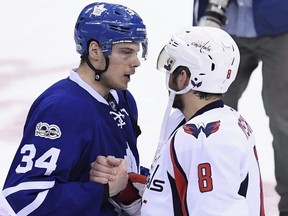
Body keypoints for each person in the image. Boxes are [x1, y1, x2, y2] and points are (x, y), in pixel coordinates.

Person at [0, 2, 148, 215]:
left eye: (137, 51)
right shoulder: (62, 109)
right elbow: (20, 200)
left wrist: (135, 182)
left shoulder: (122, 98)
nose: (135, 62)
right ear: (95, 51)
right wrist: (101, 190)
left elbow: (126, 175)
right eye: (126, 52)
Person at [139, 26, 265, 215]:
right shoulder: (218, 119)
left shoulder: (205, 140)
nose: (167, 73)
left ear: (183, 77)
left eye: (170, 66)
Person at [193, 1, 288, 215]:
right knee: (207, 121)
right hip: (221, 30)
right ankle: (209, 201)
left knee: (285, 124)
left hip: (281, 24)